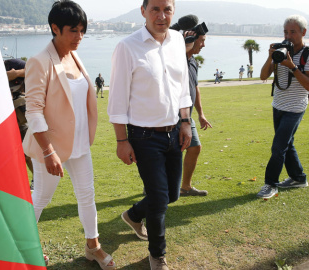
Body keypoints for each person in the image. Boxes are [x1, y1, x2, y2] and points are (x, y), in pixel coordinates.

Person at [23, 1, 115, 269]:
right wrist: (49, 152)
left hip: (80, 144)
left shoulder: (74, 56)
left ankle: (92, 247)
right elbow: (34, 111)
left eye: (82, 30)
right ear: (55, 28)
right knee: (40, 197)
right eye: (73, 31)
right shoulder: (40, 61)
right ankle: (22, 245)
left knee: (87, 194)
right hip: (51, 147)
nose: (79, 37)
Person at [107, 0, 192, 269]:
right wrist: (122, 141)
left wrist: (186, 121)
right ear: (143, 11)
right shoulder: (127, 47)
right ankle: (158, 256)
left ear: (173, 11)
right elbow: (117, 100)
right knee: (158, 200)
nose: (161, 15)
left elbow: (182, 88)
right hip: (143, 136)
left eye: (167, 9)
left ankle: (133, 215)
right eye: (155, 9)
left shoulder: (178, 40)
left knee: (172, 195)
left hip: (174, 131)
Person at [256, 15, 309, 199]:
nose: (288, 35)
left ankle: (270, 184)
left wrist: (292, 66)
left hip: (295, 108)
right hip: (278, 105)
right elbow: (262, 76)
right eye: (286, 31)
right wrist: (271, 57)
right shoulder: (280, 51)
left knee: (278, 147)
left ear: (303, 32)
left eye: (293, 32)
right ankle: (298, 178)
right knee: (287, 144)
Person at [180, 29, 212, 197]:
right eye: (201, 41)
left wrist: (201, 114)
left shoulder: (193, 62)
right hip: (174, 116)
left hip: (188, 115)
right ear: (192, 40)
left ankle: (185, 187)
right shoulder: (179, 59)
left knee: (194, 148)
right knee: (171, 153)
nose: (203, 45)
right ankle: (153, 187)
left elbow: (195, 88)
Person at [4, 58, 35, 190]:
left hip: (22, 119)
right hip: (6, 120)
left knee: (28, 154)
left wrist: (15, 73)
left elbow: (34, 71)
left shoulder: (14, 66)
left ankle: (36, 179)